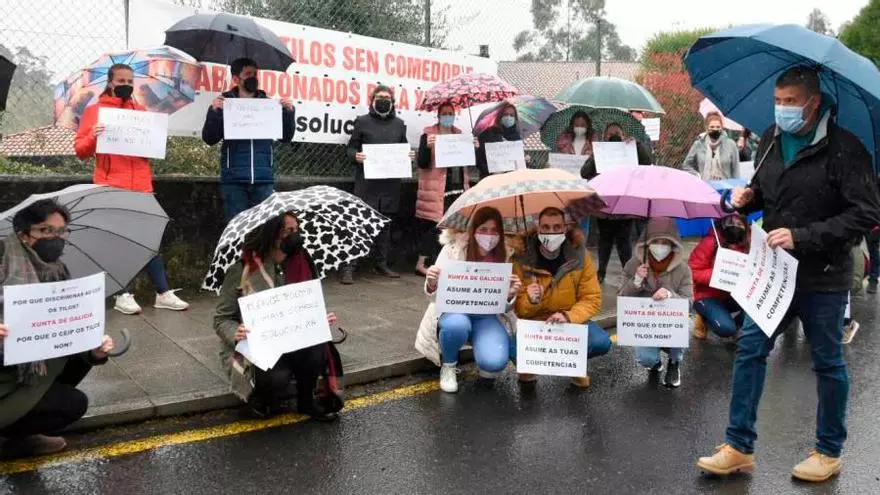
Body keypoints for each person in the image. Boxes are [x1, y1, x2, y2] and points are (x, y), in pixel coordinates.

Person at [697, 66, 880, 483]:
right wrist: (746, 199)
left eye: (790, 102)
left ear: (813, 103)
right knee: (750, 349)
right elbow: (766, 193)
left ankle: (828, 451)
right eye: (777, 101)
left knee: (828, 362)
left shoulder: (846, 148)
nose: (782, 109)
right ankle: (739, 446)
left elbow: (866, 213)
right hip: (774, 273)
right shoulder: (771, 139)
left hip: (824, 276)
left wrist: (803, 236)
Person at [0, 199, 115, 457]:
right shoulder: (2, 260)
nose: (56, 237)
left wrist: (94, 349)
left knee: (73, 393)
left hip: (23, 368)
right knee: (66, 401)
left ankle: (20, 436)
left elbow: (67, 328)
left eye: (62, 231)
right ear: (24, 234)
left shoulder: (58, 271)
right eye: (45, 230)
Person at [74, 63, 189, 316]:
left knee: (150, 241)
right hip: (111, 185)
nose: (126, 85)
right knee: (115, 243)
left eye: (129, 81)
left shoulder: (141, 111)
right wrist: (93, 135)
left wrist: (154, 139)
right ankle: (121, 294)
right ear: (110, 82)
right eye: (121, 81)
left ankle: (162, 293)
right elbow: (81, 151)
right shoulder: (95, 111)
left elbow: (149, 149)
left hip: (142, 185)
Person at [213, 212, 342, 421]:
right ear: (272, 234)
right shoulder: (243, 269)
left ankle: (306, 402)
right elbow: (221, 318)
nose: (295, 235)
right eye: (288, 230)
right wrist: (235, 332)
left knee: (318, 350)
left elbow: (310, 302)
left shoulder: (303, 261)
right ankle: (262, 398)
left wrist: (320, 318)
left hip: (293, 336)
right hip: (259, 342)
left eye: (297, 229)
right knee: (278, 377)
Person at [415, 207, 522, 393]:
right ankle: (448, 366)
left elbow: (502, 307)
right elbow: (434, 299)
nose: (489, 235)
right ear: (473, 230)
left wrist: (510, 294)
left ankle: (485, 356)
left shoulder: (504, 254)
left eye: (494, 230)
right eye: (483, 229)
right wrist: (432, 282)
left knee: (495, 363)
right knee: (457, 325)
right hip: (454, 312)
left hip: (486, 316)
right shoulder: (452, 249)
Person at [512, 207, 609, 388]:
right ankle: (530, 365)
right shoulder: (521, 258)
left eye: (557, 227)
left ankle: (572, 364)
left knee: (600, 342)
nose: (551, 232)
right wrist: (531, 300)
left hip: (569, 321)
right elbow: (519, 309)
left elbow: (592, 298)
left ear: (565, 228)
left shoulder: (580, 256)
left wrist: (568, 316)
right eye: (546, 227)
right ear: (537, 228)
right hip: (535, 322)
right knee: (512, 350)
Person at [201, 57, 297, 220]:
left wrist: (288, 112)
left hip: (263, 178)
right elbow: (210, 138)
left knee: (265, 227)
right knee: (237, 226)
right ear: (236, 79)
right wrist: (214, 112)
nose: (253, 78)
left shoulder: (268, 105)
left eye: (255, 74)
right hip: (234, 180)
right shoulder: (225, 104)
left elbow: (286, 137)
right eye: (248, 74)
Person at [340, 85, 413, 284]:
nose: (383, 100)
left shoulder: (399, 124)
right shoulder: (362, 121)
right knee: (360, 223)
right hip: (367, 182)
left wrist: (408, 155)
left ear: (393, 102)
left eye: (387, 98)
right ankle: (349, 267)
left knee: (385, 225)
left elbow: (403, 148)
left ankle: (381, 264)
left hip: (390, 184)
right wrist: (355, 156)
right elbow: (351, 148)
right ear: (372, 100)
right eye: (380, 97)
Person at [619, 217, 692, 387]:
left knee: (682, 329)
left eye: (665, 242)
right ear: (647, 243)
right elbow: (622, 298)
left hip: (670, 324)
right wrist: (636, 280)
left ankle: (674, 361)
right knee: (646, 359)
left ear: (673, 245)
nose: (660, 246)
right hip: (645, 324)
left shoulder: (683, 269)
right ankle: (655, 362)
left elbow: (689, 303)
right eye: (655, 241)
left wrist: (669, 294)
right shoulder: (633, 264)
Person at [581, 123, 653, 284]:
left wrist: (636, 145)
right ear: (604, 137)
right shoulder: (600, 152)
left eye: (617, 133)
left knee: (624, 240)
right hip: (604, 203)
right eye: (610, 134)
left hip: (624, 203)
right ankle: (601, 272)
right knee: (604, 240)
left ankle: (628, 273)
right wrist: (596, 154)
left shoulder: (631, 150)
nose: (614, 136)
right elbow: (584, 172)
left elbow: (647, 162)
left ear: (623, 135)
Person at [414, 103, 475, 277]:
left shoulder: (459, 135)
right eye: (445, 113)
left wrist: (473, 148)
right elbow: (422, 163)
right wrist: (427, 147)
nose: (448, 116)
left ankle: (448, 262)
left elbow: (468, 163)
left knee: (454, 226)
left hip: (456, 187)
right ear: (439, 115)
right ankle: (421, 264)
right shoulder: (428, 134)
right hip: (436, 188)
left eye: (451, 113)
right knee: (432, 226)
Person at [689, 214, 750, 340]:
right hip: (707, 296)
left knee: (757, 311)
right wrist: (718, 274)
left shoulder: (748, 246)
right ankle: (705, 317)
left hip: (733, 296)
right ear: (722, 224)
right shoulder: (710, 243)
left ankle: (737, 326)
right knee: (726, 329)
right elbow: (692, 271)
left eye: (739, 224)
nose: (735, 226)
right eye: (730, 223)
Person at [475, 102, 526, 180]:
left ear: (515, 118)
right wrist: (492, 171)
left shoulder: (516, 137)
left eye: (512, 115)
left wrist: (523, 159)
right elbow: (480, 160)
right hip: (491, 179)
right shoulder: (488, 133)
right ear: (499, 116)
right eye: (505, 114)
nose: (508, 117)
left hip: (512, 180)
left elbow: (518, 163)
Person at [683, 112, 740, 180]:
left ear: (722, 127)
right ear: (707, 128)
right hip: (705, 183)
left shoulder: (730, 144)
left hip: (726, 184)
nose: (715, 129)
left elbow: (736, 169)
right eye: (712, 127)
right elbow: (686, 165)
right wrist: (697, 175)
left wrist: (736, 184)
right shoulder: (698, 144)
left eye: (718, 127)